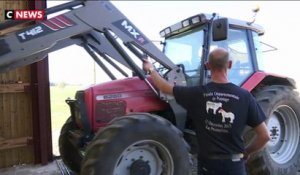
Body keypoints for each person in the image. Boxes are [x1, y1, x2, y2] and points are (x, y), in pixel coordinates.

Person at [142, 48, 270, 175]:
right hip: (235, 166)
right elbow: (265, 136)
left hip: (208, 167)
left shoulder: (197, 93)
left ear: (208, 66)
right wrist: (246, 152)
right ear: (230, 64)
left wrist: (151, 69)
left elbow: (164, 87)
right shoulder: (245, 96)